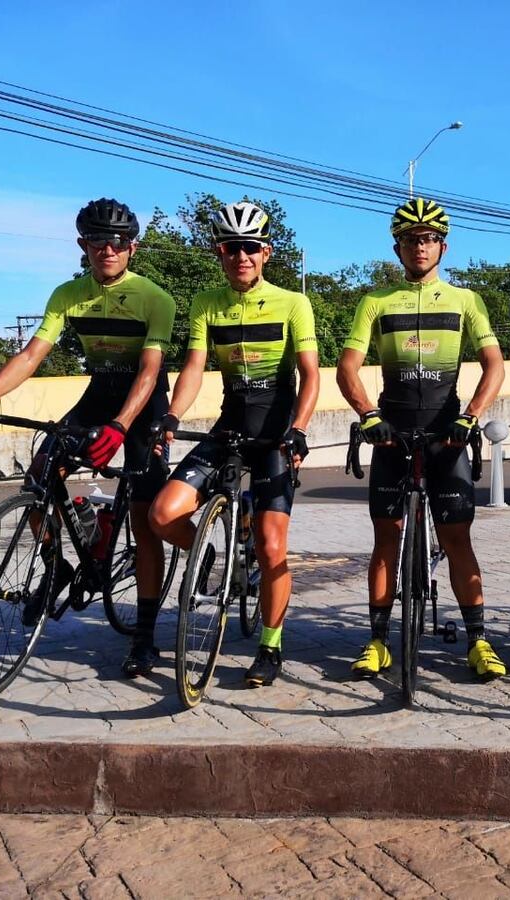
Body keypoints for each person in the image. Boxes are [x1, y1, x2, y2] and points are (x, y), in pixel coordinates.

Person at [0, 198, 176, 677]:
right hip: (99, 392)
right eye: (98, 241)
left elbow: (151, 369)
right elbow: (33, 355)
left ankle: (144, 634)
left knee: (142, 512)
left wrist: (120, 426)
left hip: (144, 399)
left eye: (117, 241)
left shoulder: (156, 298)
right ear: (83, 245)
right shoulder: (67, 295)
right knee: (40, 475)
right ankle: (60, 565)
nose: (108, 249)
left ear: (132, 247)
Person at [335, 198, 507, 681]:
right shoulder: (376, 302)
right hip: (390, 432)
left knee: (456, 539)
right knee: (385, 539)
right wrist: (367, 413)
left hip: (445, 434)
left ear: (443, 247)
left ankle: (478, 639)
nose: (420, 246)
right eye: (411, 239)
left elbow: (494, 364)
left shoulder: (466, 300)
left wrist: (471, 417)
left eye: (428, 238)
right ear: (398, 247)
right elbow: (348, 367)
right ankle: (376, 640)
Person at [148, 201, 318, 687]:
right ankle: (206, 555)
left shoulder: (293, 303)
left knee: (270, 545)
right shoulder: (206, 303)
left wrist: (299, 427)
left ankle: (270, 645)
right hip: (231, 424)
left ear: (265, 252)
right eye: (230, 247)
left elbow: (309, 375)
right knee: (163, 514)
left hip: (275, 430)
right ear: (219, 252)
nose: (240, 256)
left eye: (249, 247)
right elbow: (196, 366)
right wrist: (173, 415)